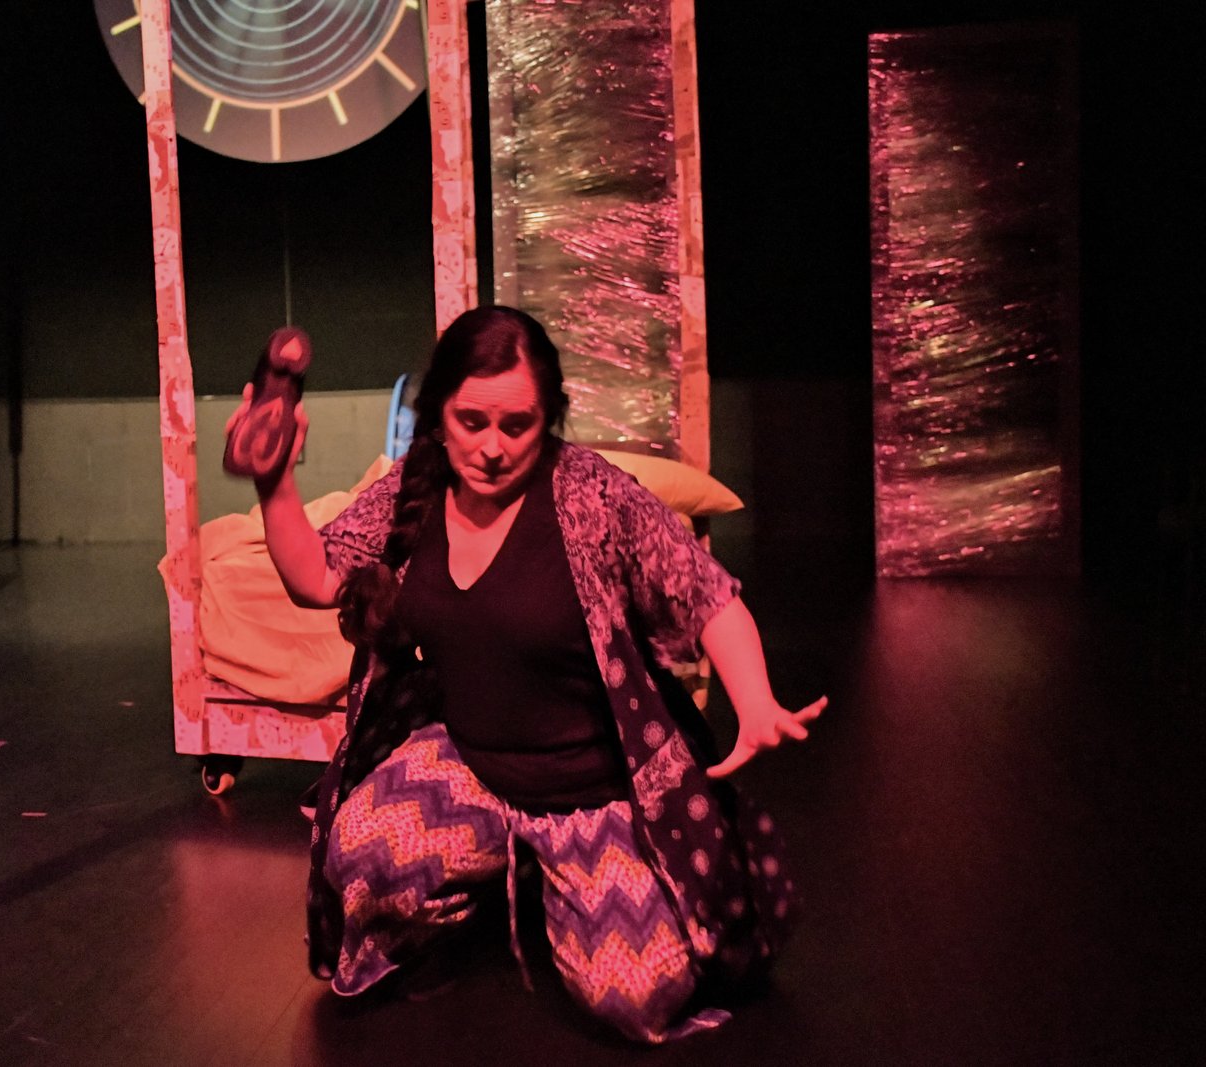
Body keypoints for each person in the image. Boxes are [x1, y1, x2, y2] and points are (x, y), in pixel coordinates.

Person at [227, 306, 826, 1043]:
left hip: (591, 795)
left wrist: (755, 700)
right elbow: (318, 578)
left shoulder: (593, 497)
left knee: (636, 995)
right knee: (365, 853)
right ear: (439, 413)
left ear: (549, 419)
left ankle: (557, 881)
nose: (491, 448)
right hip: (473, 766)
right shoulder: (416, 490)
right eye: (471, 421)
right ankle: (491, 888)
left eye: (518, 426)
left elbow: (706, 594)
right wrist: (274, 484)